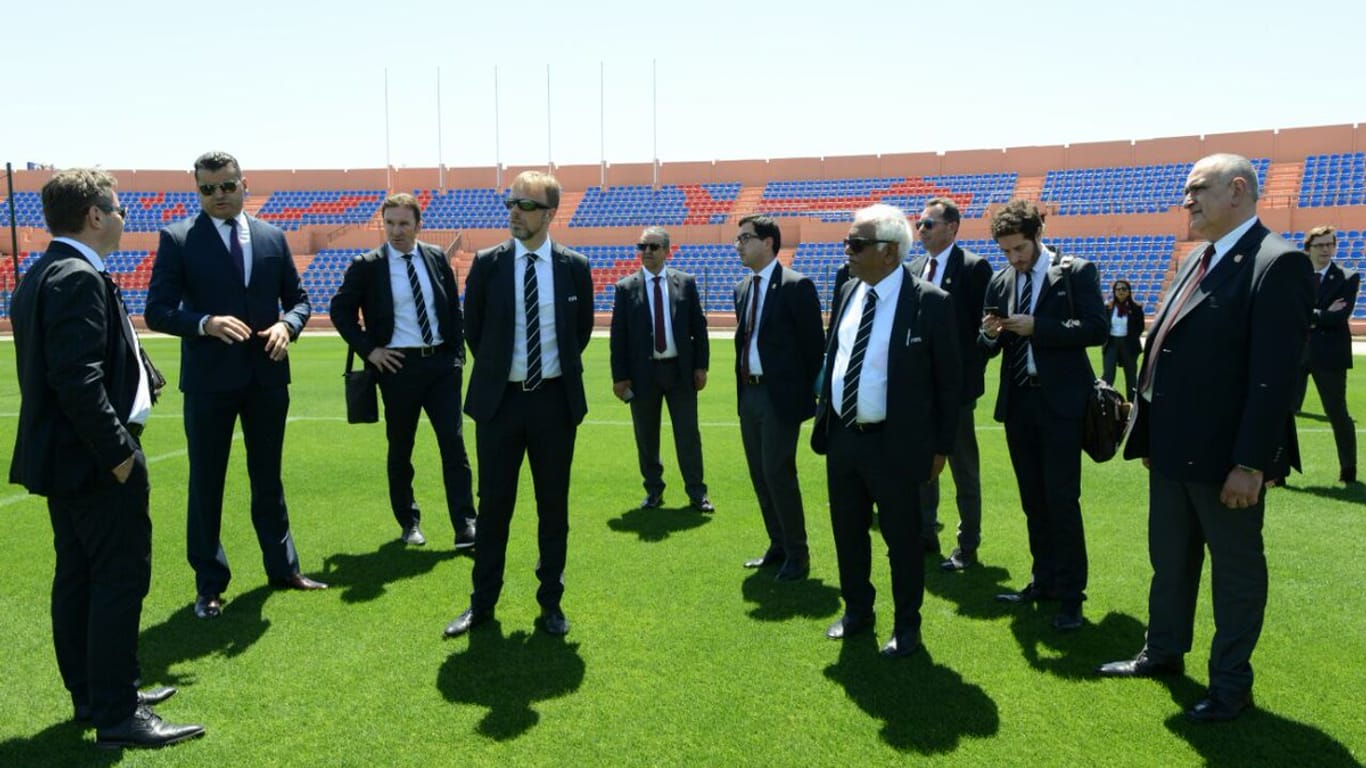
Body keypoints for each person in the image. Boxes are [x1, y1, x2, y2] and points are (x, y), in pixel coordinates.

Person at [1099, 154, 1313, 723]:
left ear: (1237, 191)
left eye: (1197, 189)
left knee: (1235, 574)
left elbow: (1273, 379)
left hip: (1226, 461)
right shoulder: (1199, 257)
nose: (1186, 200)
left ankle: (1230, 686)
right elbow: (1162, 351)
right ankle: (1163, 652)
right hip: (1172, 453)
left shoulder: (1277, 262)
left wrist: (1251, 463)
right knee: (1170, 562)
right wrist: (1147, 439)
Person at [9, 169, 205, 748]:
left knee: (79, 578)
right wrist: (120, 455)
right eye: (116, 209)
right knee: (117, 581)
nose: (123, 218)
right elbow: (76, 379)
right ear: (94, 215)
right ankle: (118, 714)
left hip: (69, 463)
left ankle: (96, 695)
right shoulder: (75, 277)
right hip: (96, 462)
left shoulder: (46, 271)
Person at [145, 151, 324, 621]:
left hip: (266, 376)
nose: (219, 196)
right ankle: (209, 585)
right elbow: (157, 310)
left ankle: (283, 569)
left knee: (269, 478)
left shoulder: (271, 236)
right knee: (207, 483)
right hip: (209, 383)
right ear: (197, 190)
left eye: (226, 186)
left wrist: (289, 325)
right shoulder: (179, 238)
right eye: (208, 189)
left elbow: (300, 300)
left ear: (244, 183)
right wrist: (204, 322)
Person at [444, 171, 593, 638]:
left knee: (553, 508)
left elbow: (580, 332)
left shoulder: (574, 266)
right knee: (493, 510)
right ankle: (481, 604)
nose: (515, 212)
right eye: (511, 203)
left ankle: (551, 603)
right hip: (500, 406)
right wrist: (500, 374)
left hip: (553, 404)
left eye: (526, 205)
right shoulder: (488, 264)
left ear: (550, 214)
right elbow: (475, 330)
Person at [812, 204, 961, 658]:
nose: (848, 252)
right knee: (848, 532)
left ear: (890, 253)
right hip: (843, 437)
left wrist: (941, 447)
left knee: (903, 541)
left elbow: (948, 384)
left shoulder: (930, 303)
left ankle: (906, 626)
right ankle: (858, 611)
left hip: (896, 444)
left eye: (857, 244)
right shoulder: (848, 289)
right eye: (847, 243)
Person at [980, 199, 1107, 632]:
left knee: (1062, 500)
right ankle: (1043, 580)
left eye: (1018, 248)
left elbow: (1096, 328)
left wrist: (1041, 328)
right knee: (1033, 499)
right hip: (1018, 403)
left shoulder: (1075, 272)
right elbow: (989, 345)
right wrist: (988, 333)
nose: (1013, 258)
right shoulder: (1000, 281)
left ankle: (1072, 596)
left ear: (1037, 235)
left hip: (1062, 404)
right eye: (1006, 251)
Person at [329, 193, 478, 547]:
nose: (396, 231)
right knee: (401, 447)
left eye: (404, 224)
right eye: (390, 223)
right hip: (397, 368)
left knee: (453, 446)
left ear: (418, 225)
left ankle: (465, 525)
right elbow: (340, 312)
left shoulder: (436, 257)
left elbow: (451, 308)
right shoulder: (367, 264)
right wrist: (371, 351)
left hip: (441, 366)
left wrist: (456, 355)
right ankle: (409, 522)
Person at [733, 214, 825, 581]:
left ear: (769, 242)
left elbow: (813, 346)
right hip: (749, 393)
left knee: (777, 471)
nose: (739, 244)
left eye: (746, 238)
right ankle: (778, 544)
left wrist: (795, 393)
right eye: (737, 239)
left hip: (779, 397)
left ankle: (798, 554)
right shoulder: (742, 288)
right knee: (759, 474)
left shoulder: (795, 285)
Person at [906, 197, 993, 569]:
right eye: (919, 223)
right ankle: (925, 534)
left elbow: (985, 333)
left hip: (955, 394)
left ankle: (967, 545)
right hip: (918, 393)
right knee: (922, 466)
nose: (920, 230)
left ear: (952, 228)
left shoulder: (974, 268)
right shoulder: (912, 268)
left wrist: (960, 381)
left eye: (928, 224)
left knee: (963, 469)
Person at [609, 226, 713, 512]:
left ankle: (697, 492)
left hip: (680, 372)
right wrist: (619, 377)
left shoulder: (686, 283)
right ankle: (653, 490)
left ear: (667, 250)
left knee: (688, 434)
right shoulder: (625, 287)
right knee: (646, 436)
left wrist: (701, 366)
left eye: (653, 247)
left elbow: (699, 328)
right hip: (644, 376)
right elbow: (618, 337)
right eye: (642, 247)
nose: (647, 252)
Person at [1296, 225, 1359, 484]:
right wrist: (1321, 313)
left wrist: (1309, 314)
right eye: (1320, 245)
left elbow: (1338, 317)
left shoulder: (1347, 276)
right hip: (1294, 354)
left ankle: (1348, 470)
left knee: (1337, 413)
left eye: (1329, 244)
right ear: (1308, 248)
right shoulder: (1294, 276)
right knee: (1280, 412)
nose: (1325, 250)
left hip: (1329, 355)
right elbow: (1288, 312)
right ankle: (1277, 471)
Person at [1101, 279, 1145, 401]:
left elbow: (1139, 327)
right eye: (1118, 289)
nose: (1121, 291)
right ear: (1114, 292)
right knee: (1108, 375)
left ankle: (1132, 405)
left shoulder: (1136, 308)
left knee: (1131, 377)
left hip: (1129, 345)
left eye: (1124, 289)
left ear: (1129, 292)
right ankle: (1106, 402)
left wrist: (1131, 337)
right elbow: (1104, 325)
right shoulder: (1108, 308)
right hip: (1111, 344)